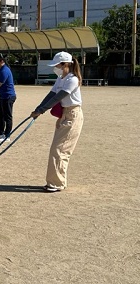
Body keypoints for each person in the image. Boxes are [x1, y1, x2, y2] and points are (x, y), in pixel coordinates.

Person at [30, 51, 84, 192]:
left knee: (59, 150)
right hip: (64, 115)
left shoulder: (72, 79)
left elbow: (58, 97)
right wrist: (38, 108)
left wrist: (41, 111)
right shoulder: (60, 78)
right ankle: (56, 181)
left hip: (72, 114)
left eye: (57, 65)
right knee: (57, 149)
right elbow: (51, 95)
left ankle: (57, 183)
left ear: (65, 64)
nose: (55, 68)